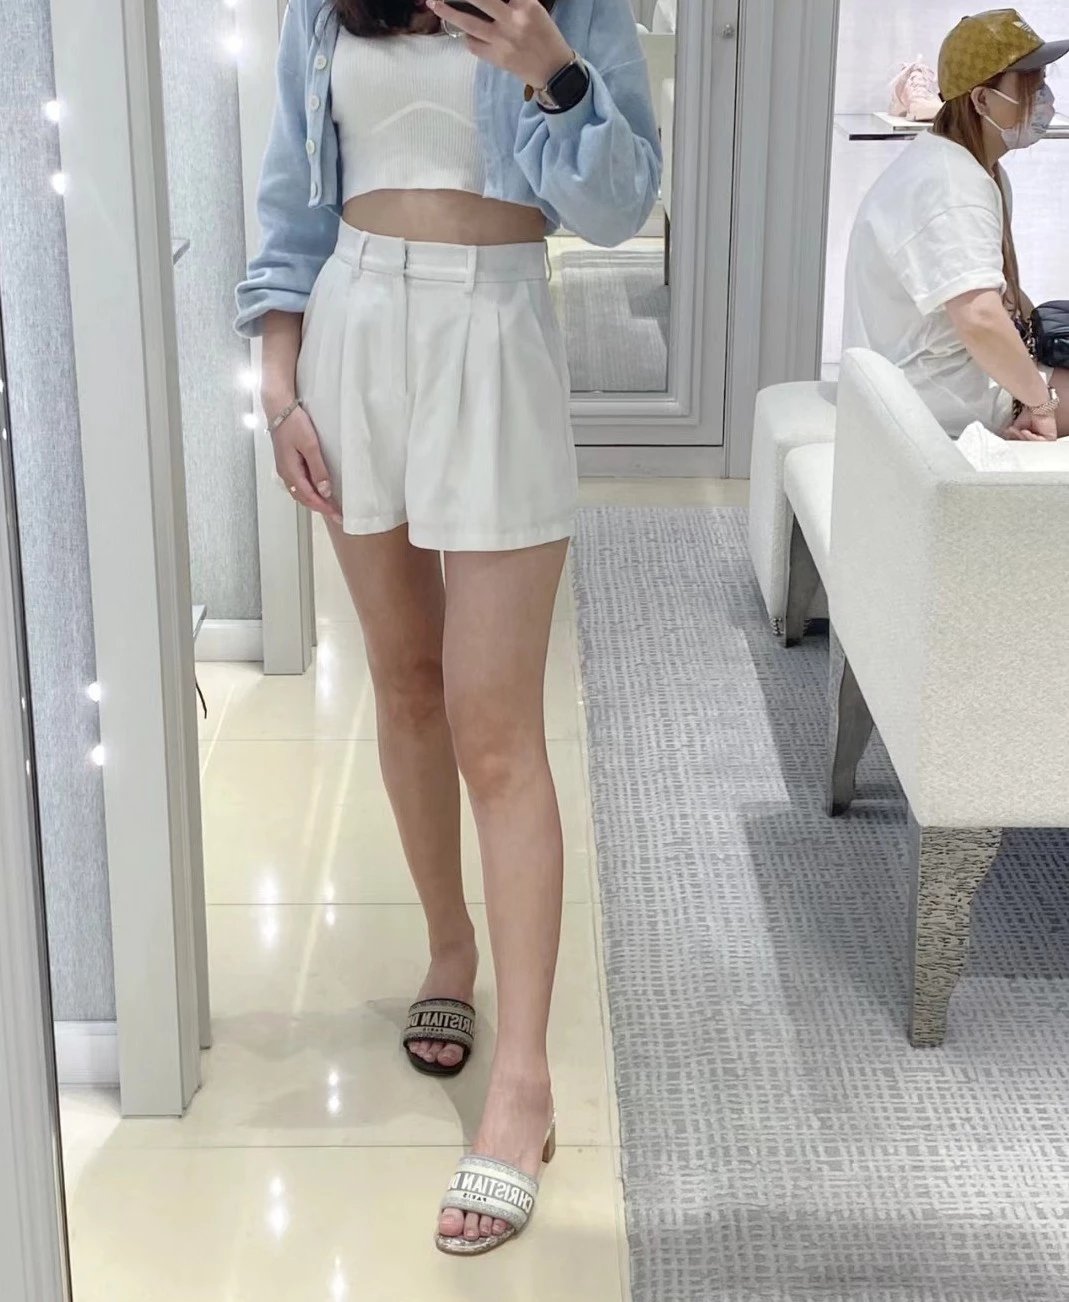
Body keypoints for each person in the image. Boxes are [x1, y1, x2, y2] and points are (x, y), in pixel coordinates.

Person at [235, 0, 659, 1257]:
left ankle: (521, 1088)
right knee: (407, 683)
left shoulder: (568, 11)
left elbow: (618, 205)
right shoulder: (323, 10)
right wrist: (277, 382)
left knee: (497, 728)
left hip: (496, 323)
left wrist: (553, 73)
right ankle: (447, 951)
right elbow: (292, 207)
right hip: (352, 325)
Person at [844, 9, 1069, 441]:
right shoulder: (952, 187)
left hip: (952, 378)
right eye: (1030, 86)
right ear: (982, 100)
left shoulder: (968, 168)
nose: (1044, 99)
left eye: (1043, 82)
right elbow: (979, 316)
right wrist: (1041, 403)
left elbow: (997, 295)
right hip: (940, 401)